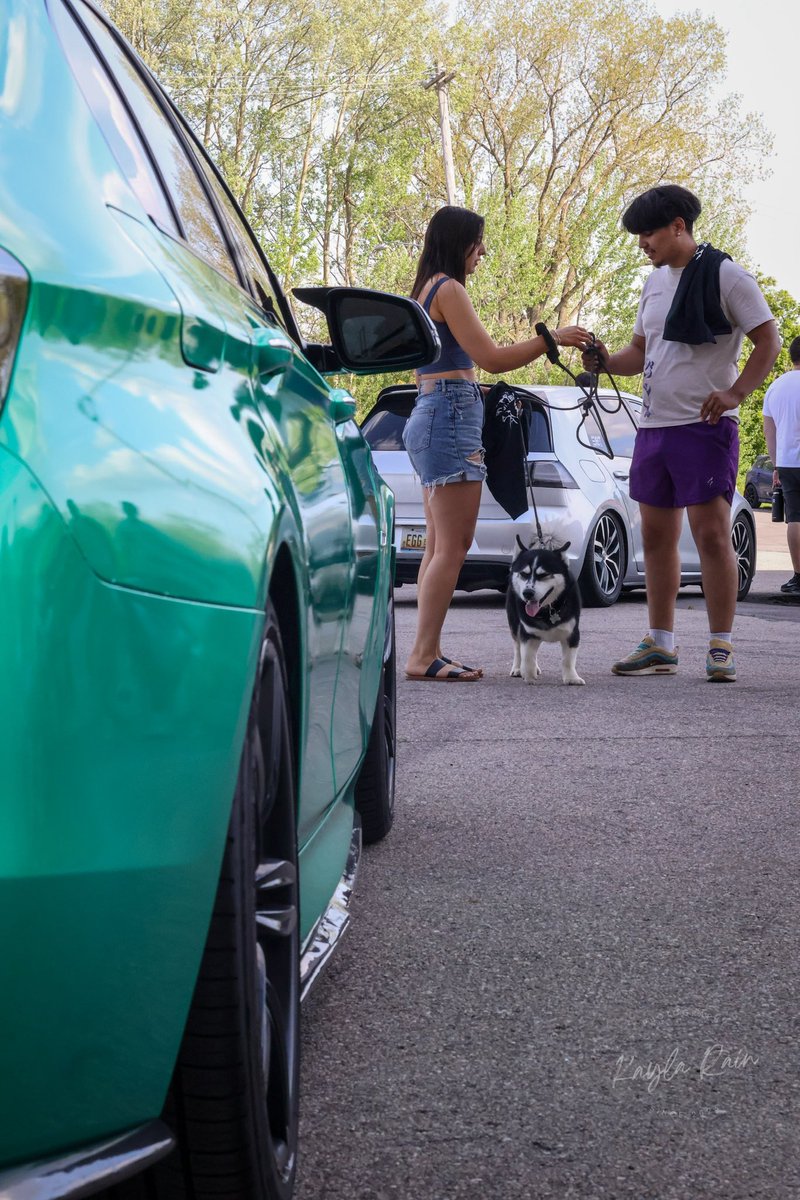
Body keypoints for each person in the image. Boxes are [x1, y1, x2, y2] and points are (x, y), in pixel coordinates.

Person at [582, 185, 780, 682]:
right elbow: (637, 354)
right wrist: (605, 360)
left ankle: (720, 646)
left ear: (678, 225)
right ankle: (660, 644)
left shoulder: (728, 276)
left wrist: (736, 394)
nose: (641, 243)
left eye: (647, 232)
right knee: (654, 536)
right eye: (637, 235)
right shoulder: (652, 284)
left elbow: (768, 341)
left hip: (705, 426)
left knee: (711, 534)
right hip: (652, 425)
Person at [403, 205, 590, 681]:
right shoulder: (449, 288)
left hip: (432, 410)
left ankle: (428, 651)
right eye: (478, 241)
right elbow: (492, 358)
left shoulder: (422, 290)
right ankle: (422, 656)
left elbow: (448, 367)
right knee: (454, 545)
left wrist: (468, 387)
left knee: (438, 545)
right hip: (448, 417)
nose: (482, 250)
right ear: (459, 241)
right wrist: (553, 339)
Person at [762, 336, 800, 595]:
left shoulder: (776, 387)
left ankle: (798, 576)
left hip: (787, 462)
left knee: (795, 518)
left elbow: (769, 430)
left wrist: (776, 465)